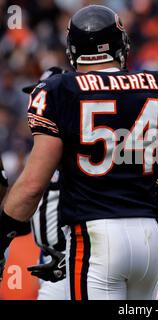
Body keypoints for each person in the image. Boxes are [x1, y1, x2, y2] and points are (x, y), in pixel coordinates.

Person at [0, 5, 158, 300]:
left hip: (95, 236)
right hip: (149, 238)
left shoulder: (57, 89)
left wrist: (2, 235)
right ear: (120, 45)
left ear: (73, 50)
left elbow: (33, 184)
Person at [20, 67, 67, 300]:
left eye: (43, 97)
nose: (35, 104)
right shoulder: (39, 147)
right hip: (49, 257)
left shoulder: (70, 144)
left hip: (69, 258)